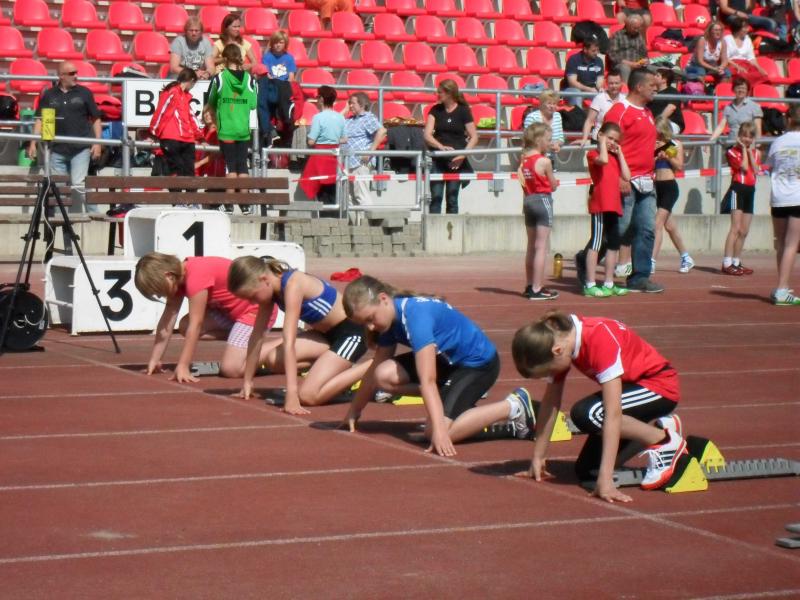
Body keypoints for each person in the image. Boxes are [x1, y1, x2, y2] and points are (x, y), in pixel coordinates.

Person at [340, 275, 536, 457]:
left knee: (434, 432)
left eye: (370, 319)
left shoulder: (416, 319)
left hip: (477, 366)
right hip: (447, 363)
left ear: (383, 299)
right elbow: (374, 370)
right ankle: (452, 397)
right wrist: (354, 410)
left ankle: (513, 406)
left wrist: (440, 431)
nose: (370, 327)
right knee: (382, 375)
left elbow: (428, 380)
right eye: (364, 324)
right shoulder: (389, 319)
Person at [511, 311, 687, 503]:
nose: (550, 375)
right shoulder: (560, 340)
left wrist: (607, 480)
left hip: (659, 387)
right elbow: (550, 402)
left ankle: (664, 440)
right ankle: (654, 429)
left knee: (588, 413)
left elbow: (613, 413)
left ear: (557, 351)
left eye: (548, 371)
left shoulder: (598, 339)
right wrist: (538, 457)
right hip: (631, 390)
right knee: (588, 471)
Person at [227, 256, 370, 414]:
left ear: (264, 279)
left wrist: (292, 396)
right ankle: (334, 368)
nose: (253, 303)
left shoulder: (293, 284)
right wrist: (247, 382)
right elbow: (257, 335)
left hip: (352, 333)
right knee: (273, 360)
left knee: (308, 396)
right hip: (325, 335)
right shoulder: (270, 291)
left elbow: (289, 342)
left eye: (253, 297)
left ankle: (373, 365)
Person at [134, 253, 276, 384]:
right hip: (230, 315)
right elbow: (167, 321)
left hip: (255, 312)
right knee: (184, 326)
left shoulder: (196, 277)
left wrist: (183, 365)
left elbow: (196, 324)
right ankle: (243, 341)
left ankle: (273, 344)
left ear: (168, 276)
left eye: (159, 290)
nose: (160, 296)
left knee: (231, 369)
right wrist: (155, 359)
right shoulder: (178, 279)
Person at [604, 68, 664, 293]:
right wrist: (620, 176)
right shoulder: (619, 111)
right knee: (618, 230)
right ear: (639, 86)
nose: (656, 88)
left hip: (647, 181)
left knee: (646, 229)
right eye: (652, 85)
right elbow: (608, 145)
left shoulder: (647, 112)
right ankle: (587, 260)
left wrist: (655, 153)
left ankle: (640, 277)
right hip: (627, 181)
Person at [27, 61, 102, 213]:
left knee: (79, 184)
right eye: (72, 73)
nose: (76, 76)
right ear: (61, 76)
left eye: (76, 72)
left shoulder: (85, 93)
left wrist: (97, 143)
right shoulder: (49, 94)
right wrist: (33, 143)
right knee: (58, 187)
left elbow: (96, 119)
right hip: (57, 149)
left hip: (80, 148)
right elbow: (40, 119)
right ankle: (61, 220)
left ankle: (96, 216)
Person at [207, 44, 257, 215]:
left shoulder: (220, 78)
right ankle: (245, 205)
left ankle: (229, 204)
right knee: (242, 165)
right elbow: (253, 104)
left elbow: (211, 100)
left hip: (226, 129)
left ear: (225, 59)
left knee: (230, 166)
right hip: (243, 129)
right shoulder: (250, 80)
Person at [583, 122, 631, 298]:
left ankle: (609, 283)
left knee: (613, 245)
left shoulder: (614, 157)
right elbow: (602, 160)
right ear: (600, 135)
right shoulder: (593, 154)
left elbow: (627, 176)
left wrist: (620, 154)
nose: (613, 143)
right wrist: (603, 142)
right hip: (600, 205)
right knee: (596, 243)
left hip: (614, 206)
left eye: (616, 140)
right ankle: (590, 284)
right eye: (610, 138)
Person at [424, 79, 478, 214]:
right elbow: (427, 135)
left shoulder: (463, 110)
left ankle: (452, 228)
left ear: (449, 93)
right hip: (438, 160)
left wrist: (462, 156)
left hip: (456, 162)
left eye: (440, 92)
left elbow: (474, 137)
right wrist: (440, 147)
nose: (437, 94)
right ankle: (434, 227)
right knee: (436, 198)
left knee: (452, 199)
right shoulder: (435, 110)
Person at [518, 123, 560, 300]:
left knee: (531, 246)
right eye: (548, 140)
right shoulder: (544, 161)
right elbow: (552, 185)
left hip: (528, 200)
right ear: (538, 140)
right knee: (541, 246)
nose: (550, 143)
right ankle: (537, 287)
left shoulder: (523, 160)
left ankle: (530, 285)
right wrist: (554, 183)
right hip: (542, 201)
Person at [764, 103, 800, 306]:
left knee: (781, 243)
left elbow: (770, 167)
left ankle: (782, 285)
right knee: (791, 245)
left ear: (789, 119)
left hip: (778, 197)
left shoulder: (778, 142)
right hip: (797, 197)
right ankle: (782, 288)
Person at [652, 117, 695, 274]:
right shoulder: (653, 144)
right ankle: (686, 257)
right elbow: (648, 164)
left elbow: (679, 166)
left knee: (657, 224)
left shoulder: (674, 144)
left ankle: (651, 261)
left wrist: (668, 156)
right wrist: (655, 156)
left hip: (669, 186)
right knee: (670, 226)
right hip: (657, 186)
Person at [719, 121, 759, 276]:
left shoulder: (756, 153)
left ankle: (736, 261)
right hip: (738, 189)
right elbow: (743, 167)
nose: (747, 139)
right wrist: (743, 149)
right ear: (739, 136)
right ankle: (727, 262)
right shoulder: (732, 152)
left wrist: (749, 152)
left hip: (750, 190)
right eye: (744, 136)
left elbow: (756, 169)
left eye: (750, 137)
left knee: (744, 231)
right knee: (735, 228)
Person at [148, 68, 200, 177]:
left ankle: (186, 189)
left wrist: (200, 137)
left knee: (188, 173)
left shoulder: (185, 97)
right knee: (177, 171)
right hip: (172, 138)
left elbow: (191, 117)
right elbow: (161, 112)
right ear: (191, 80)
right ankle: (177, 189)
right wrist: (153, 132)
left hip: (186, 139)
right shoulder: (172, 92)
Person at [301, 85, 346, 205]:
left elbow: (311, 141)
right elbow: (344, 139)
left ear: (321, 99)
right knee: (333, 193)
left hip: (320, 157)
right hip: (335, 156)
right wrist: (333, 139)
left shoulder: (318, 117)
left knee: (322, 195)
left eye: (317, 97)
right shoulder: (340, 117)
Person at [343, 92, 387, 208]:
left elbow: (382, 131)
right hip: (347, 163)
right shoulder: (349, 120)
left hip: (360, 163)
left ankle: (368, 219)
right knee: (349, 199)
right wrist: (345, 110)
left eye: (353, 103)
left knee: (361, 196)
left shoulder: (367, 117)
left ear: (362, 105)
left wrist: (370, 152)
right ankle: (355, 220)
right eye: (349, 103)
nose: (350, 106)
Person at [579, 69, 626, 146]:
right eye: (611, 83)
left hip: (617, 141)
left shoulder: (625, 99)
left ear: (621, 83)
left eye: (616, 83)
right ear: (606, 83)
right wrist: (584, 139)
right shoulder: (599, 98)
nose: (614, 86)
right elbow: (589, 121)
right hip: (599, 140)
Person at [710, 76, 763, 144]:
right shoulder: (728, 107)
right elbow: (721, 127)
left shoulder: (755, 107)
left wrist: (758, 143)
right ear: (733, 89)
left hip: (747, 145)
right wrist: (711, 140)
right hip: (731, 144)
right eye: (738, 88)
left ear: (747, 91)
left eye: (743, 88)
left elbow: (757, 128)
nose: (740, 90)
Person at [523, 90, 564, 168]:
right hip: (534, 159)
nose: (552, 106)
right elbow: (527, 141)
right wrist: (547, 145)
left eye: (554, 103)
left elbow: (561, 138)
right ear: (541, 104)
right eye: (549, 103)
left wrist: (557, 144)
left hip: (551, 160)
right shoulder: (532, 117)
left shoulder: (557, 116)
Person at [723, 18, 769, 86]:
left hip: (746, 65)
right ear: (737, 28)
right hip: (732, 65)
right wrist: (738, 66)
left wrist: (760, 68)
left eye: (747, 27)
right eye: (745, 28)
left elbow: (751, 58)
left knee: (763, 76)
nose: (747, 30)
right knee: (743, 76)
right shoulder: (727, 39)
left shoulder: (748, 39)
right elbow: (725, 58)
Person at [562, 39, 605, 108]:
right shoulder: (574, 60)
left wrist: (600, 89)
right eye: (593, 51)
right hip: (572, 89)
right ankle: (578, 114)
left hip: (590, 90)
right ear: (585, 50)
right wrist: (589, 89)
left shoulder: (599, 61)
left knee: (602, 97)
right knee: (577, 93)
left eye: (597, 50)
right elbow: (572, 83)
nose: (596, 53)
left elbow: (599, 81)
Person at [685, 21, 731, 86]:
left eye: (720, 30)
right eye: (716, 30)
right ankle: (700, 91)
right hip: (695, 66)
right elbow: (700, 61)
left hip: (712, 67)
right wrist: (714, 69)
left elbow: (725, 60)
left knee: (727, 72)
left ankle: (720, 90)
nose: (718, 32)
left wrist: (721, 67)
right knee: (701, 71)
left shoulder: (722, 42)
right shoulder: (702, 41)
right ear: (709, 31)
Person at [607, 14, 649, 84]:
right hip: (622, 64)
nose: (637, 30)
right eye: (635, 28)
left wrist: (645, 60)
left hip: (638, 64)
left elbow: (644, 53)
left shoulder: (639, 36)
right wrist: (630, 64)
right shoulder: (617, 35)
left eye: (638, 28)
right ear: (628, 26)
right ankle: (625, 88)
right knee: (625, 68)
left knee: (655, 69)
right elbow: (612, 55)